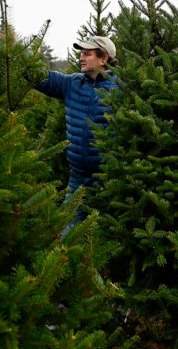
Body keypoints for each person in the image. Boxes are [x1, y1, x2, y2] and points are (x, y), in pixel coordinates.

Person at [34, 35, 120, 238]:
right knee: (64, 232)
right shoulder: (72, 83)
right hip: (78, 178)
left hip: (109, 180)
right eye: (81, 53)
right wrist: (19, 60)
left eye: (87, 54)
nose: (81, 57)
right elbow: (42, 77)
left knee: (103, 239)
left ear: (103, 58)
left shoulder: (122, 90)